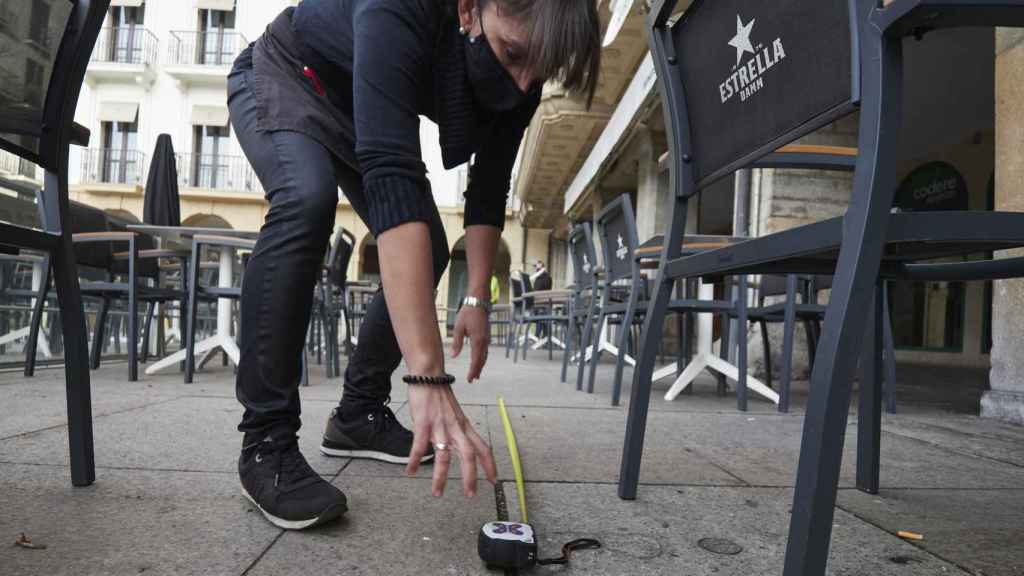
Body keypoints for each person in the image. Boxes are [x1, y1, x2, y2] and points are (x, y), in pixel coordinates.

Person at [228, 0, 600, 530]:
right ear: (470, 10)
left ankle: (358, 414)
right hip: (287, 69)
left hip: (353, 108)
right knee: (305, 199)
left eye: (537, 72)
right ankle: (266, 443)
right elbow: (389, 172)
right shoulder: (401, 7)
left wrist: (476, 297)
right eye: (512, 54)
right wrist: (427, 375)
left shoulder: (523, 70)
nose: (521, 85)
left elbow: (490, 187)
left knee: (429, 243)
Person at [530, 260, 551, 338]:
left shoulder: (544, 277)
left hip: (541, 303)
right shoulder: (540, 277)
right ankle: (542, 337)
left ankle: (538, 337)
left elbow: (538, 291)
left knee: (541, 316)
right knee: (542, 317)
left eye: (537, 266)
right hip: (541, 303)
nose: (535, 268)